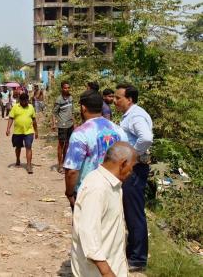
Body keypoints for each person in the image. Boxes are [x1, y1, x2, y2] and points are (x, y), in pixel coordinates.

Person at [71, 142, 137, 277]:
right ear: (123, 163)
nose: (131, 172)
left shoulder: (113, 184)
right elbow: (88, 232)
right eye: (131, 167)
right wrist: (106, 271)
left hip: (112, 264)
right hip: (98, 271)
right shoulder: (97, 188)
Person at [63, 90, 128, 209]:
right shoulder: (118, 130)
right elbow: (126, 163)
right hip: (113, 191)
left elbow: (72, 171)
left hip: (88, 193)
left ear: (83, 108)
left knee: (86, 227)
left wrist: (69, 193)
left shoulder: (80, 134)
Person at [114, 83, 153, 272]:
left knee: (134, 213)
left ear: (129, 99)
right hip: (133, 168)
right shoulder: (131, 115)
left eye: (118, 97)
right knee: (130, 212)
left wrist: (132, 156)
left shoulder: (136, 115)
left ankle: (138, 259)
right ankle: (133, 252)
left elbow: (146, 138)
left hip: (135, 170)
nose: (115, 101)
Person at [6, 93, 38, 174]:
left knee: (28, 147)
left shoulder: (31, 107)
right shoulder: (15, 107)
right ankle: (17, 159)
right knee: (18, 147)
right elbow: (11, 118)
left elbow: (34, 120)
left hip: (29, 131)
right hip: (18, 132)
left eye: (26, 101)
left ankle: (29, 165)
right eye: (22, 101)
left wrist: (36, 131)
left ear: (28, 100)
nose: (24, 102)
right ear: (20, 100)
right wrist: (8, 129)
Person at [52, 81, 75, 173]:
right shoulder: (59, 100)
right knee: (61, 145)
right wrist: (54, 124)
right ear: (62, 88)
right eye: (65, 88)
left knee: (68, 145)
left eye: (68, 87)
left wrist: (74, 123)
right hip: (62, 125)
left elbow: (72, 112)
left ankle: (65, 163)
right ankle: (60, 165)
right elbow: (54, 113)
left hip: (70, 125)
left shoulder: (71, 97)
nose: (67, 89)